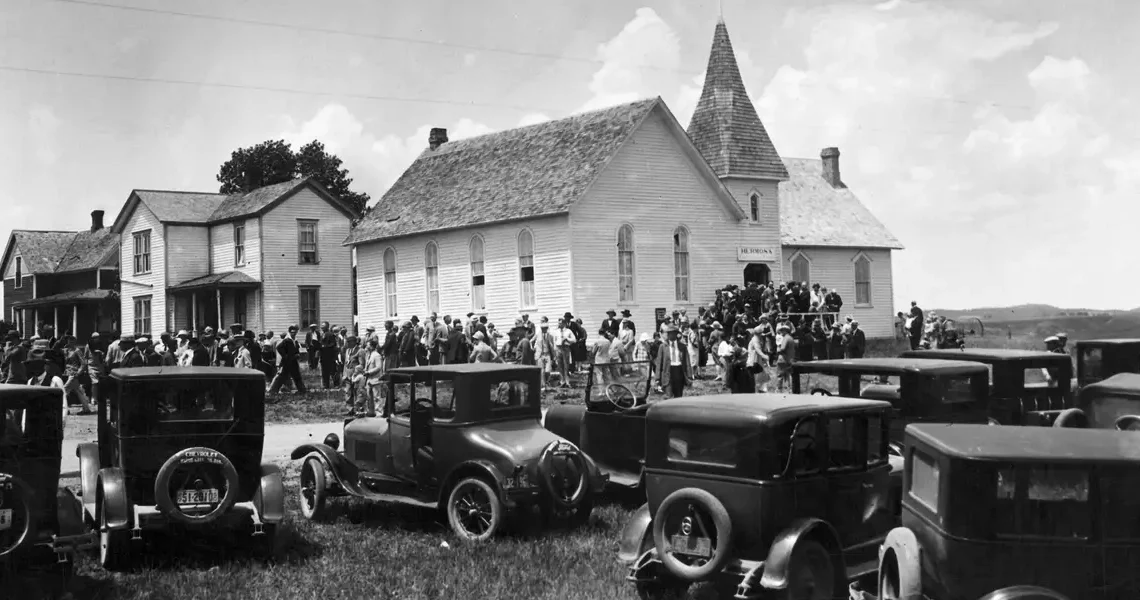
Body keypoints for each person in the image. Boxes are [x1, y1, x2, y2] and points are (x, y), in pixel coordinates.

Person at [654, 325, 691, 398]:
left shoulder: (682, 346)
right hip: (668, 372)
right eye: (669, 333)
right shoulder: (663, 346)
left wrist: (689, 376)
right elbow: (659, 363)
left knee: (679, 395)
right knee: (669, 395)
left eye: (673, 333)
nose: (671, 335)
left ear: (677, 334)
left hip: (679, 371)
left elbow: (687, 362)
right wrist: (657, 378)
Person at [268, 326, 306, 394]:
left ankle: (302, 390)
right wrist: (285, 356)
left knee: (297, 375)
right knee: (280, 376)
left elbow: (296, 349)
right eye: (292, 332)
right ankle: (273, 390)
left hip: (293, 361)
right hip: (287, 362)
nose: (294, 333)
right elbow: (279, 347)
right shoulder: (287, 340)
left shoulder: (295, 340)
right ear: (289, 332)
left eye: (295, 332)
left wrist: (297, 354)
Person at [363, 338, 384, 417]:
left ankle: (379, 412)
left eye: (368, 345)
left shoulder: (377, 355)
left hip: (375, 379)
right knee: (369, 397)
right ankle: (371, 411)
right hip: (369, 380)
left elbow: (379, 367)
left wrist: (369, 372)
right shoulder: (369, 355)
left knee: (376, 397)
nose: (366, 346)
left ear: (372, 346)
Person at [747, 327, 771, 392]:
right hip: (754, 360)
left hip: (756, 359)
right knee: (757, 375)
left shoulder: (757, 338)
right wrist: (764, 356)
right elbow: (757, 349)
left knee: (762, 374)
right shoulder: (755, 339)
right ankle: (759, 389)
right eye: (761, 333)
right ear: (759, 333)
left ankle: (761, 388)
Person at [775, 323, 796, 391]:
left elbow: (782, 349)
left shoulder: (785, 338)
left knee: (780, 375)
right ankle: (791, 389)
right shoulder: (790, 338)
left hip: (783, 359)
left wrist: (778, 348)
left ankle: (779, 389)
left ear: (785, 331)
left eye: (782, 330)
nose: (781, 332)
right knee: (789, 375)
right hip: (789, 359)